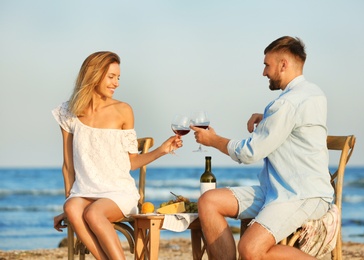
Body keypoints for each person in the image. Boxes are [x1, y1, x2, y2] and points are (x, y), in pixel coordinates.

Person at [191, 36, 334, 259]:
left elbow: (249, 153)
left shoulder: (286, 104)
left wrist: (213, 140)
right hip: (276, 189)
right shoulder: (312, 93)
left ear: (283, 64)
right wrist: (266, 117)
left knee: (250, 248)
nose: (264, 72)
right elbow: (293, 124)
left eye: (267, 65)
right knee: (209, 202)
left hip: (301, 194)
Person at [52, 51, 182, 260]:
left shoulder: (123, 110)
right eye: (111, 77)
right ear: (94, 74)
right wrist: (69, 202)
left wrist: (162, 150)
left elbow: (131, 162)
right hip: (84, 192)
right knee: (72, 207)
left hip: (117, 192)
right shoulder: (69, 112)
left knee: (94, 214)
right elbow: (68, 165)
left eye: (118, 78)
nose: (116, 83)